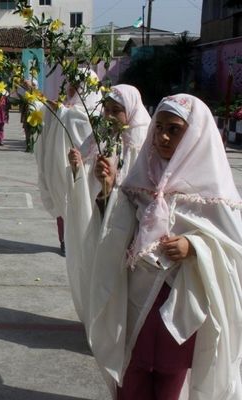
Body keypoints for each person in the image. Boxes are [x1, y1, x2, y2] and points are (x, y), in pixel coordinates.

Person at [88, 94, 242, 399]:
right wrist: (107, 194)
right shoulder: (141, 177)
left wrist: (194, 246)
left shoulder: (214, 191)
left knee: (169, 383)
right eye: (158, 128)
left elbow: (233, 250)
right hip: (136, 304)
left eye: (174, 129)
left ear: (195, 134)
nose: (163, 137)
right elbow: (118, 232)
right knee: (131, 377)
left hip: (178, 309)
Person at [64, 84, 150, 327]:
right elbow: (85, 170)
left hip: (128, 223)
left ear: (131, 110)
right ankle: (101, 323)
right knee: (98, 269)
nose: (110, 116)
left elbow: (139, 184)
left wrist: (113, 183)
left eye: (117, 110)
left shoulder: (142, 140)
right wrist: (77, 166)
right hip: (99, 214)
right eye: (107, 110)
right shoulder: (100, 136)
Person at [34, 70, 101, 255]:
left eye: (76, 85)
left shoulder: (94, 110)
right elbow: (58, 112)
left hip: (86, 168)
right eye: (70, 84)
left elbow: (70, 116)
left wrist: (38, 96)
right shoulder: (68, 108)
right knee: (63, 199)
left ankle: (83, 242)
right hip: (64, 163)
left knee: (84, 204)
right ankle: (65, 241)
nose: (71, 88)